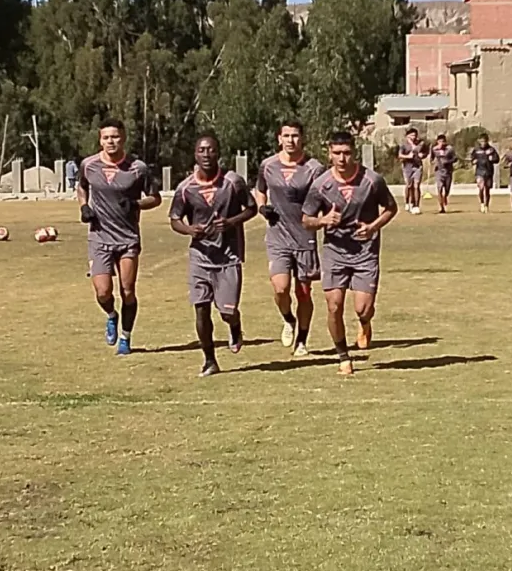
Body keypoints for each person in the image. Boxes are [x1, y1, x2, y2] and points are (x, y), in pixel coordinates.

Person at [302, 131, 399, 376]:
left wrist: (372, 227)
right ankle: (343, 356)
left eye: (346, 153)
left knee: (363, 309)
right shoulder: (320, 185)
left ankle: (365, 323)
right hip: (334, 252)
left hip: (365, 252)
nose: (342, 158)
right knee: (334, 306)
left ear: (354, 153)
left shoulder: (372, 180)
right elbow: (306, 220)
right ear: (329, 154)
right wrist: (323, 220)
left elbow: (391, 208)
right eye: (337, 153)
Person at [169, 134, 258, 377]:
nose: (206, 154)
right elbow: (175, 219)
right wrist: (190, 230)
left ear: (218, 153)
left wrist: (231, 222)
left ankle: (235, 326)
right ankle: (209, 360)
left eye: (211, 150)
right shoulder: (185, 188)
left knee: (227, 312)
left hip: (228, 257)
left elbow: (252, 208)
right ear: (195, 154)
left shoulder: (233, 182)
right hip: (200, 256)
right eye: (201, 150)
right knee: (201, 309)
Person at [77, 118, 163, 355]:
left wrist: (136, 204)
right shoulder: (89, 165)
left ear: (123, 138)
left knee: (127, 290)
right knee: (103, 292)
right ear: (100, 140)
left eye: (115, 136)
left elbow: (155, 198)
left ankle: (125, 337)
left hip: (127, 238)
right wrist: (84, 206)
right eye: (106, 137)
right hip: (99, 236)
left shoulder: (138, 168)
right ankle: (111, 315)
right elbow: (82, 186)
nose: (110, 141)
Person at [253, 119, 325, 357]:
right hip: (278, 236)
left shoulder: (314, 168)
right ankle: (288, 319)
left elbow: (324, 199)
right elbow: (260, 189)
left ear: (302, 138)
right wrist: (262, 207)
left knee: (303, 292)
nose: (291, 140)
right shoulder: (268, 165)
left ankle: (302, 341)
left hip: (305, 237)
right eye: (286, 136)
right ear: (279, 138)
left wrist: (320, 220)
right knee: (281, 287)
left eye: (295, 136)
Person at [398, 127, 430, 215]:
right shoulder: (404, 145)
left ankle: (416, 206)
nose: (414, 137)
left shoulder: (421, 144)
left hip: (418, 166)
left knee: (416, 185)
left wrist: (422, 155)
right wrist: (408, 156)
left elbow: (426, 152)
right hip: (407, 167)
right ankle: (407, 202)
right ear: (407, 136)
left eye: (415, 135)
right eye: (411, 135)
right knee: (409, 186)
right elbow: (400, 155)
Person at [470, 132, 500, 213]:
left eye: (484, 141)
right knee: (481, 187)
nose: (483, 143)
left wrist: (492, 159)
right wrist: (473, 161)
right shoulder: (476, 150)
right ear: (479, 141)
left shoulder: (491, 150)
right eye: (481, 141)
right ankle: (482, 204)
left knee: (487, 189)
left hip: (489, 172)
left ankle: (487, 205)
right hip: (479, 172)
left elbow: (497, 159)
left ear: (487, 141)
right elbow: (472, 159)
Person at [430, 133, 457, 214]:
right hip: (439, 171)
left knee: (447, 189)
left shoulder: (450, 149)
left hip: (448, 171)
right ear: (437, 142)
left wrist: (448, 161)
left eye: (443, 141)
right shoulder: (434, 149)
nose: (441, 143)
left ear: (445, 142)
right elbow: (431, 158)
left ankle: (445, 196)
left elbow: (455, 158)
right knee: (440, 188)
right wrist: (433, 163)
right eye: (439, 141)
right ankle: (441, 207)